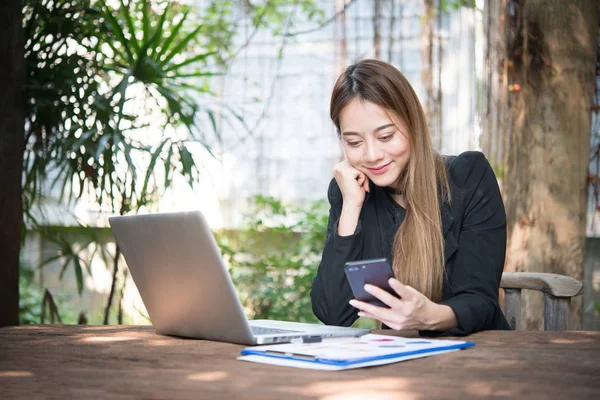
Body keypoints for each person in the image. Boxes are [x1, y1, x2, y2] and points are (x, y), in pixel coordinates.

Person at [310, 59, 511, 336]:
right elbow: (332, 313)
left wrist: (429, 316)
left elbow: (480, 300)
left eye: (386, 136)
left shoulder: (468, 178)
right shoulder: (351, 192)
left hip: (477, 350)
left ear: (413, 124)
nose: (371, 155)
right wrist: (350, 208)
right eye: (354, 142)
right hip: (401, 359)